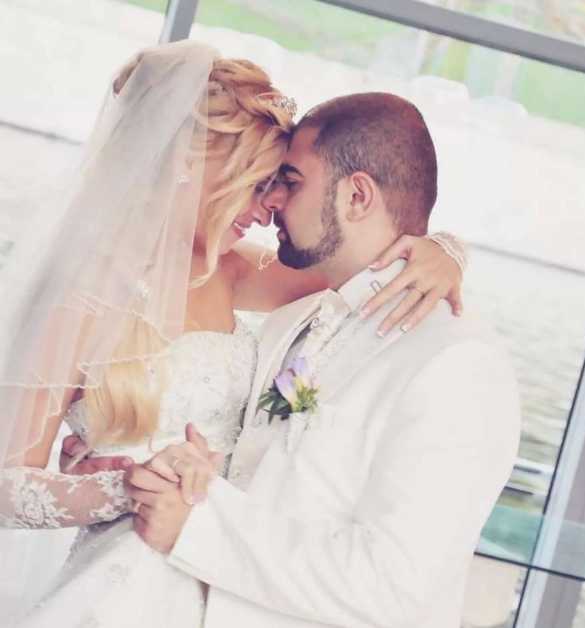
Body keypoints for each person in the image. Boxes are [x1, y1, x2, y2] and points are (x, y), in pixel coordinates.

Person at [0, 42, 464, 626]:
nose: (271, 208)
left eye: (280, 185)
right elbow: (8, 488)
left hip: (232, 582)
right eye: (259, 183)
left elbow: (362, 262)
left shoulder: (237, 270)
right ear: (190, 167)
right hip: (125, 576)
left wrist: (446, 250)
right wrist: (126, 489)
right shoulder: (80, 294)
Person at [121, 93, 521, 628]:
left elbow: (394, 587)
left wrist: (198, 529)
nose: (273, 201)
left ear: (357, 196)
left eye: (291, 181)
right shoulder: (293, 320)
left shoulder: (457, 362)